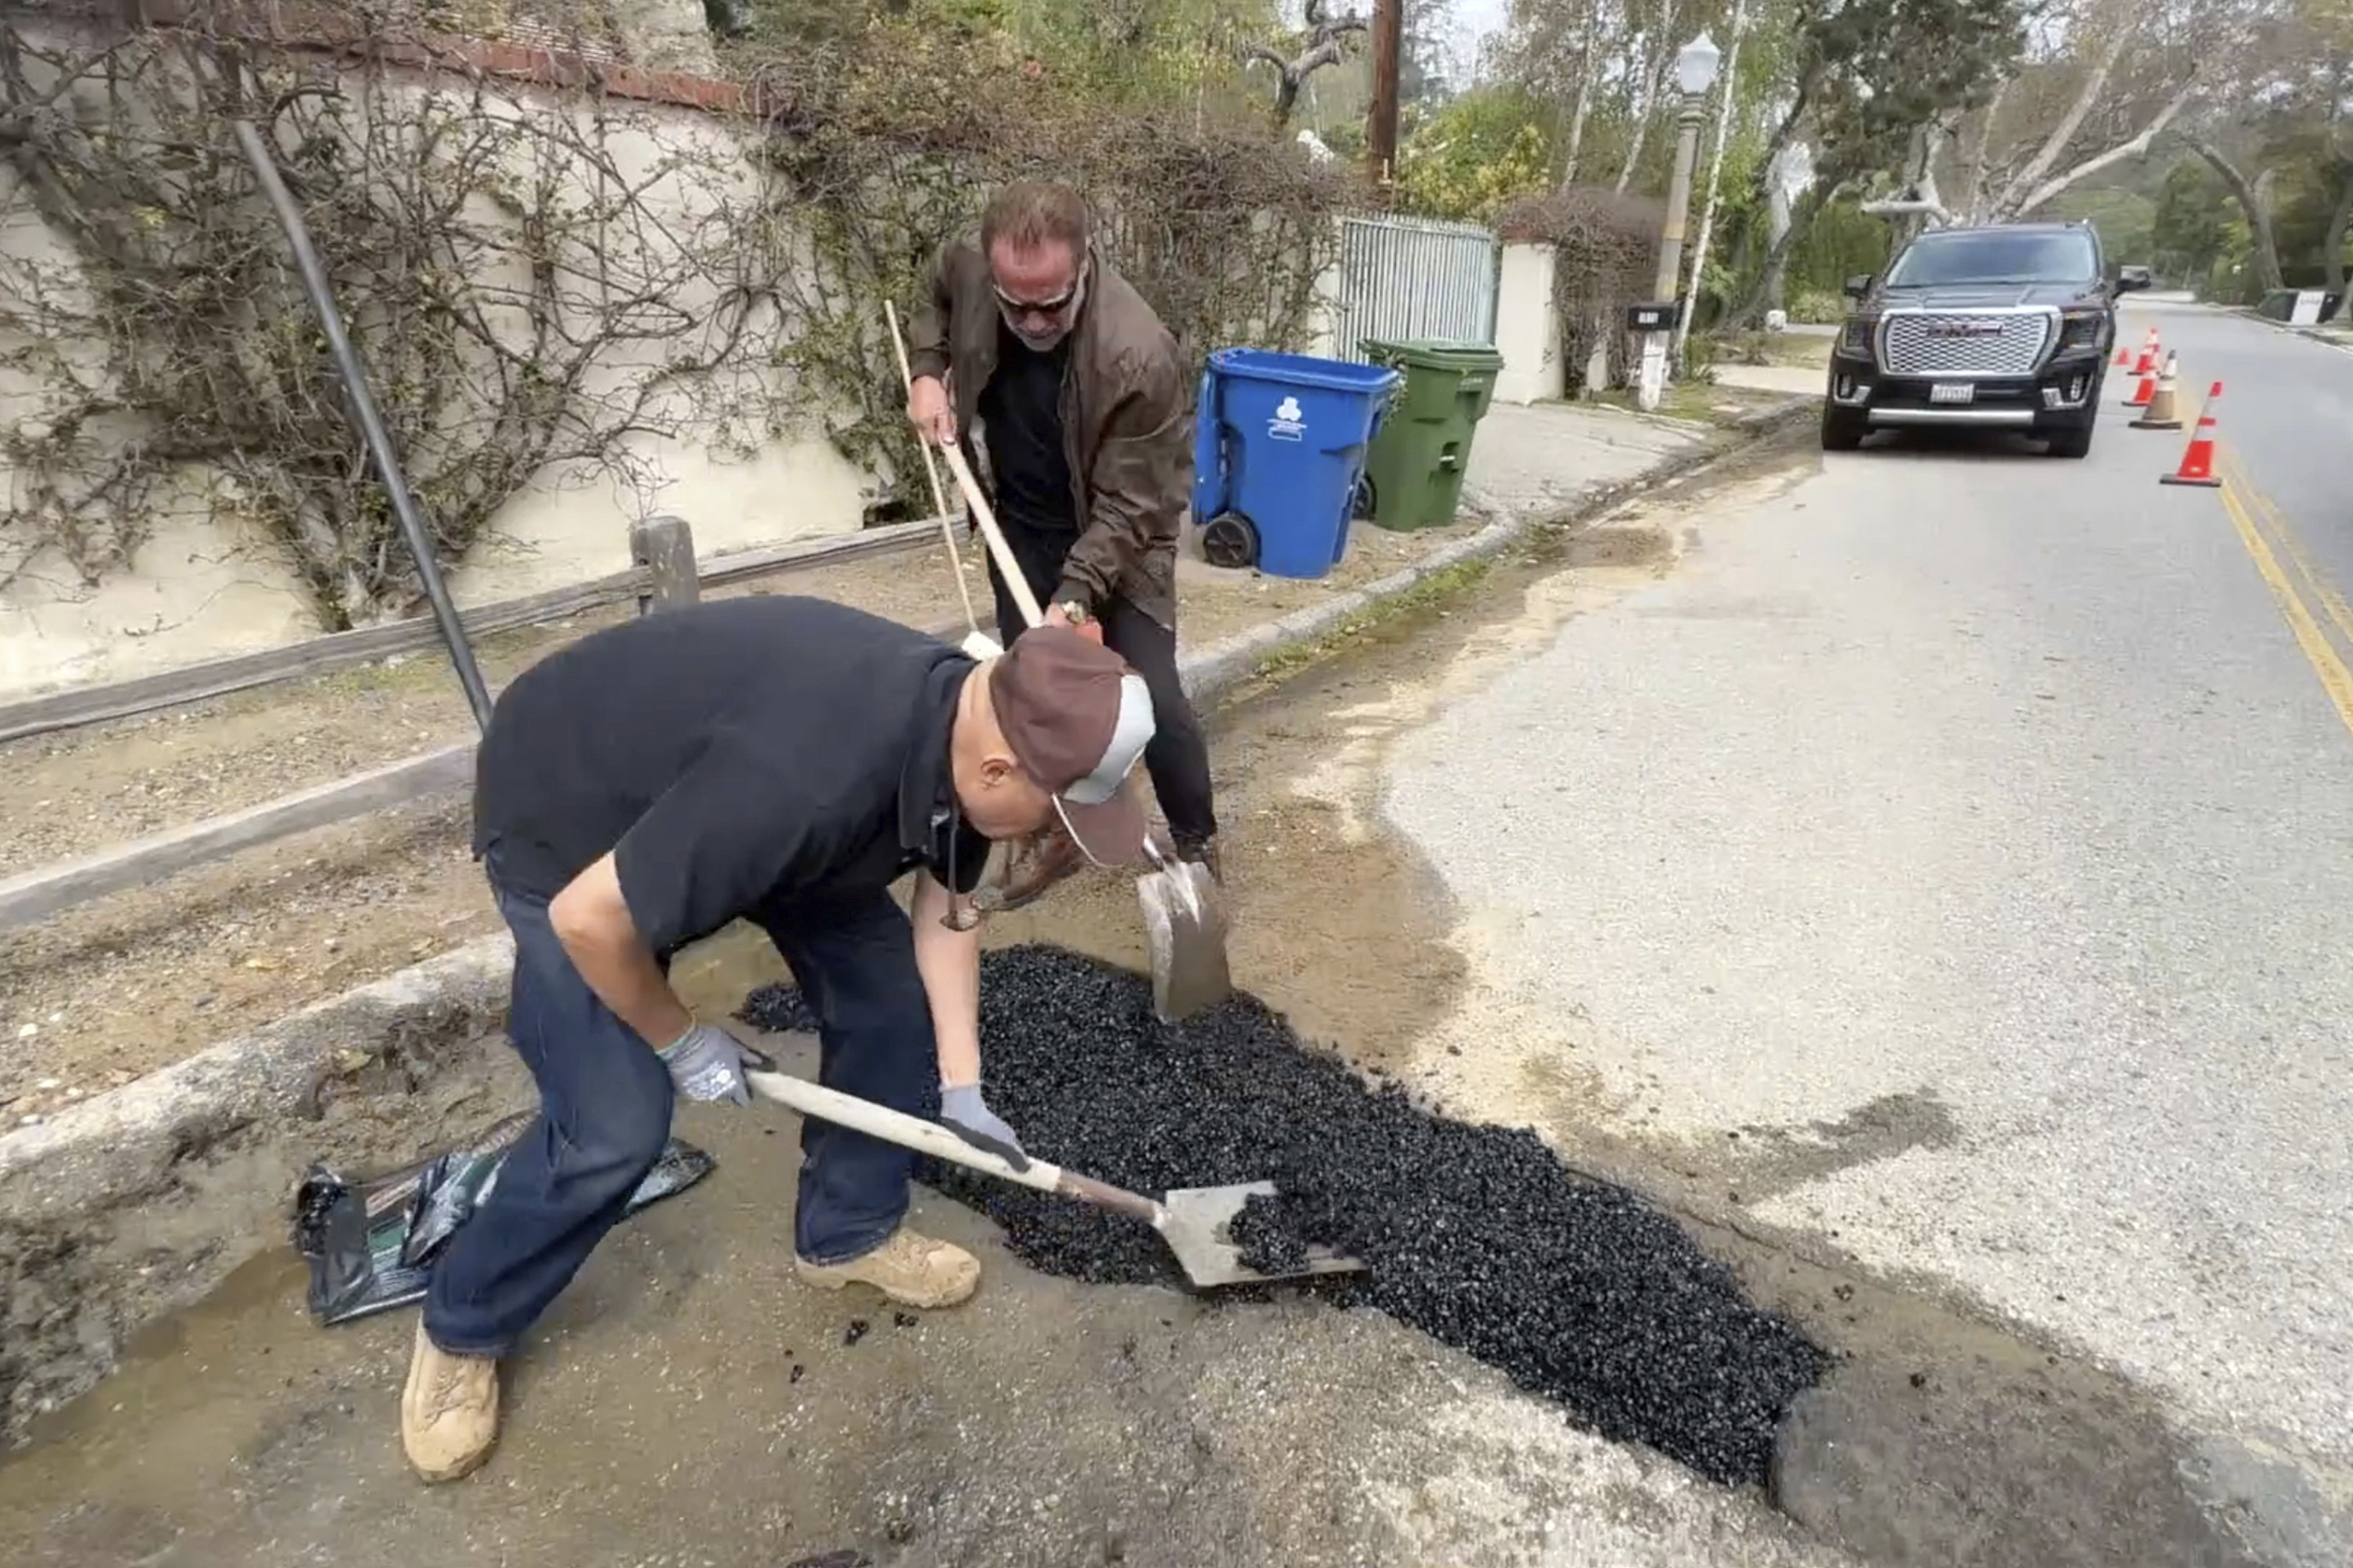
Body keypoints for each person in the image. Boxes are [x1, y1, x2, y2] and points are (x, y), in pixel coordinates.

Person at [400, 595, 1157, 1482]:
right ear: (995, 769)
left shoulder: (960, 731)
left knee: (889, 1004)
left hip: (737, 805)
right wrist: (678, 1039)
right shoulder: (806, 781)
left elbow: (947, 913)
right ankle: (463, 1322)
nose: (1048, 833)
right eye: (1052, 813)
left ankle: (846, 1233)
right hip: (570, 816)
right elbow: (590, 918)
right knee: (615, 1121)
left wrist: (962, 1086)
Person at [905, 179, 1220, 909]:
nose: (1034, 319)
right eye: (1016, 304)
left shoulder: (1138, 353)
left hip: (1120, 531)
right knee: (1030, 695)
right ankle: (1052, 830)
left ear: (1084, 267)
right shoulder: (975, 270)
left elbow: (1136, 501)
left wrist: (1075, 594)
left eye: (1053, 301)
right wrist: (927, 371)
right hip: (1018, 521)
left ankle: (1198, 847)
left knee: (1154, 697)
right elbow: (937, 296)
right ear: (994, 273)